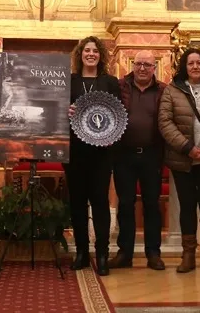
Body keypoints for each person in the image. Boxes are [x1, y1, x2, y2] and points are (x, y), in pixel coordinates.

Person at [158, 48, 200, 274]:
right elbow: (165, 122)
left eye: (199, 63)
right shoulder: (172, 90)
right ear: (184, 67)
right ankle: (187, 255)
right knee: (187, 207)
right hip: (183, 160)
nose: (195, 67)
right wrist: (188, 147)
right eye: (191, 63)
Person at [65, 36, 120, 276]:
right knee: (77, 204)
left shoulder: (110, 82)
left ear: (100, 55)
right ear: (80, 54)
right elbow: (55, 113)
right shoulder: (70, 82)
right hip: (74, 152)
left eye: (95, 50)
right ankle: (81, 253)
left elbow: (119, 114)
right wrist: (66, 110)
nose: (90, 54)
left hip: (101, 153)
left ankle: (102, 254)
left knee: (100, 203)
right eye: (86, 50)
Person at [109, 50, 167, 271]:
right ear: (132, 65)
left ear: (155, 68)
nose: (142, 68)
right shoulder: (119, 86)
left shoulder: (163, 90)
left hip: (153, 155)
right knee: (125, 204)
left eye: (147, 64)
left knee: (152, 205)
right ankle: (125, 253)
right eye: (139, 63)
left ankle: (153, 253)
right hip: (124, 155)